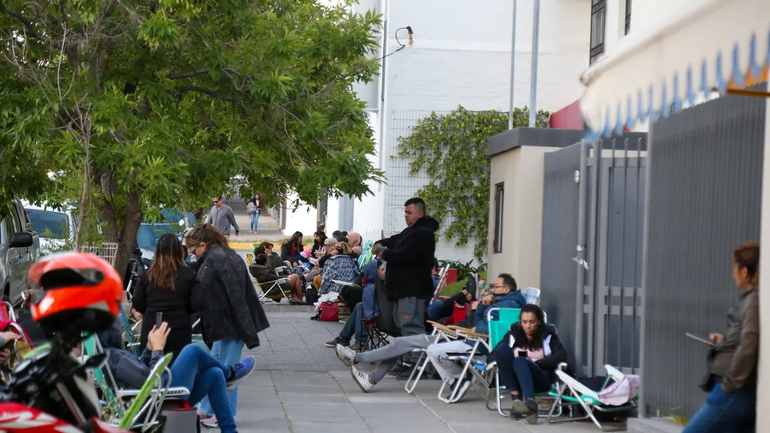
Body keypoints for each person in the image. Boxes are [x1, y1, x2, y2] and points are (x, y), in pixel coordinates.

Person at [337, 273, 526, 397]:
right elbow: (480, 324)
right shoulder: (502, 303)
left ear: (506, 290)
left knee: (401, 343)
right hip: (464, 336)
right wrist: (483, 307)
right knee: (401, 343)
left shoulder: (508, 306)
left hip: (471, 342)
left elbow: (493, 331)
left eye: (496, 287)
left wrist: (482, 312)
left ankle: (359, 361)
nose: (492, 289)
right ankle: (370, 378)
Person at [185, 224, 270, 425]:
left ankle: (226, 415)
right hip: (224, 325)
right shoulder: (219, 256)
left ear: (203, 245)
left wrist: (244, 327)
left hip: (230, 325)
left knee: (229, 372)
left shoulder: (219, 258)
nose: (192, 254)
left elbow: (235, 293)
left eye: (192, 250)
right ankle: (206, 408)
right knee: (216, 367)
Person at [105, 322, 256, 433]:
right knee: (192, 351)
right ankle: (230, 373)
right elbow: (152, 381)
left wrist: (149, 350)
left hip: (157, 397)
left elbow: (140, 372)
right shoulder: (114, 358)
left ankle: (230, 431)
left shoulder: (114, 355)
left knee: (214, 375)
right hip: (158, 401)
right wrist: (158, 350)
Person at [683, 242, 759, 433]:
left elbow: (749, 344)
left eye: (735, 267)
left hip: (733, 391)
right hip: (741, 391)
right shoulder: (753, 300)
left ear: (743, 271)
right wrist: (723, 343)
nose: (733, 273)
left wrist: (730, 384)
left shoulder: (754, 301)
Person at [132, 234, 204, 364]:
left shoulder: (147, 276)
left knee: (152, 372)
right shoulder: (189, 275)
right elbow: (198, 302)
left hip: (152, 331)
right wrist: (184, 309)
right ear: (179, 251)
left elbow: (138, 303)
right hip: (180, 332)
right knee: (178, 372)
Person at [374, 197, 438, 337]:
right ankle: (408, 357)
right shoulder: (410, 231)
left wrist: (384, 253)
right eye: (405, 212)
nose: (405, 215)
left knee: (412, 327)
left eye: (409, 212)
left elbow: (405, 255)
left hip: (412, 290)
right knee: (404, 327)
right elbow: (394, 240)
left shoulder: (423, 233)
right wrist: (379, 243)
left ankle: (415, 358)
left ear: (419, 214)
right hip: (403, 290)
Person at [493, 304, 568, 423]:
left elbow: (561, 355)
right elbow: (493, 355)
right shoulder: (513, 335)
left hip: (540, 379)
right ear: (521, 322)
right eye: (525, 322)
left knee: (520, 361)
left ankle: (529, 403)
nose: (528, 326)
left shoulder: (548, 336)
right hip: (516, 380)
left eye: (532, 321)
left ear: (539, 321)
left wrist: (537, 363)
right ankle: (518, 400)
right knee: (503, 349)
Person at [325, 260, 381, 349]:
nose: (385, 271)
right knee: (359, 305)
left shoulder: (374, 287)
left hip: (386, 318)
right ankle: (345, 338)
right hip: (382, 314)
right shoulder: (375, 286)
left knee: (362, 307)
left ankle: (358, 341)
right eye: (382, 270)